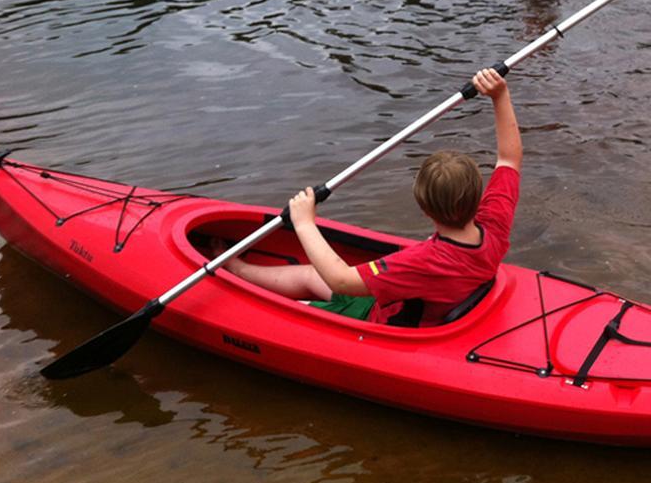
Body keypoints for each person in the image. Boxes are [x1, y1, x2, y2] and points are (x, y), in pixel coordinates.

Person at [213, 67, 522, 327]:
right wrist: (500, 95)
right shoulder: (493, 223)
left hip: (380, 320)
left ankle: (241, 278)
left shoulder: (423, 262)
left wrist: (305, 223)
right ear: (476, 196)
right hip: (424, 298)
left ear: (425, 210)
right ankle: (238, 270)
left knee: (302, 311)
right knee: (310, 273)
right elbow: (509, 159)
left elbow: (342, 281)